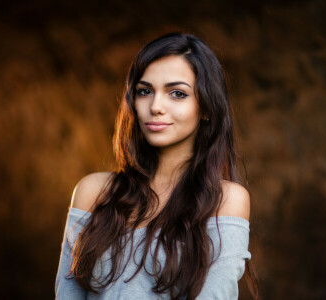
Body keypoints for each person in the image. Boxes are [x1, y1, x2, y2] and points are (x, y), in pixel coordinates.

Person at [55, 32, 258, 300]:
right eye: (145, 91)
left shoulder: (225, 200)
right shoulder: (93, 192)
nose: (156, 106)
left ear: (207, 107)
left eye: (177, 93)